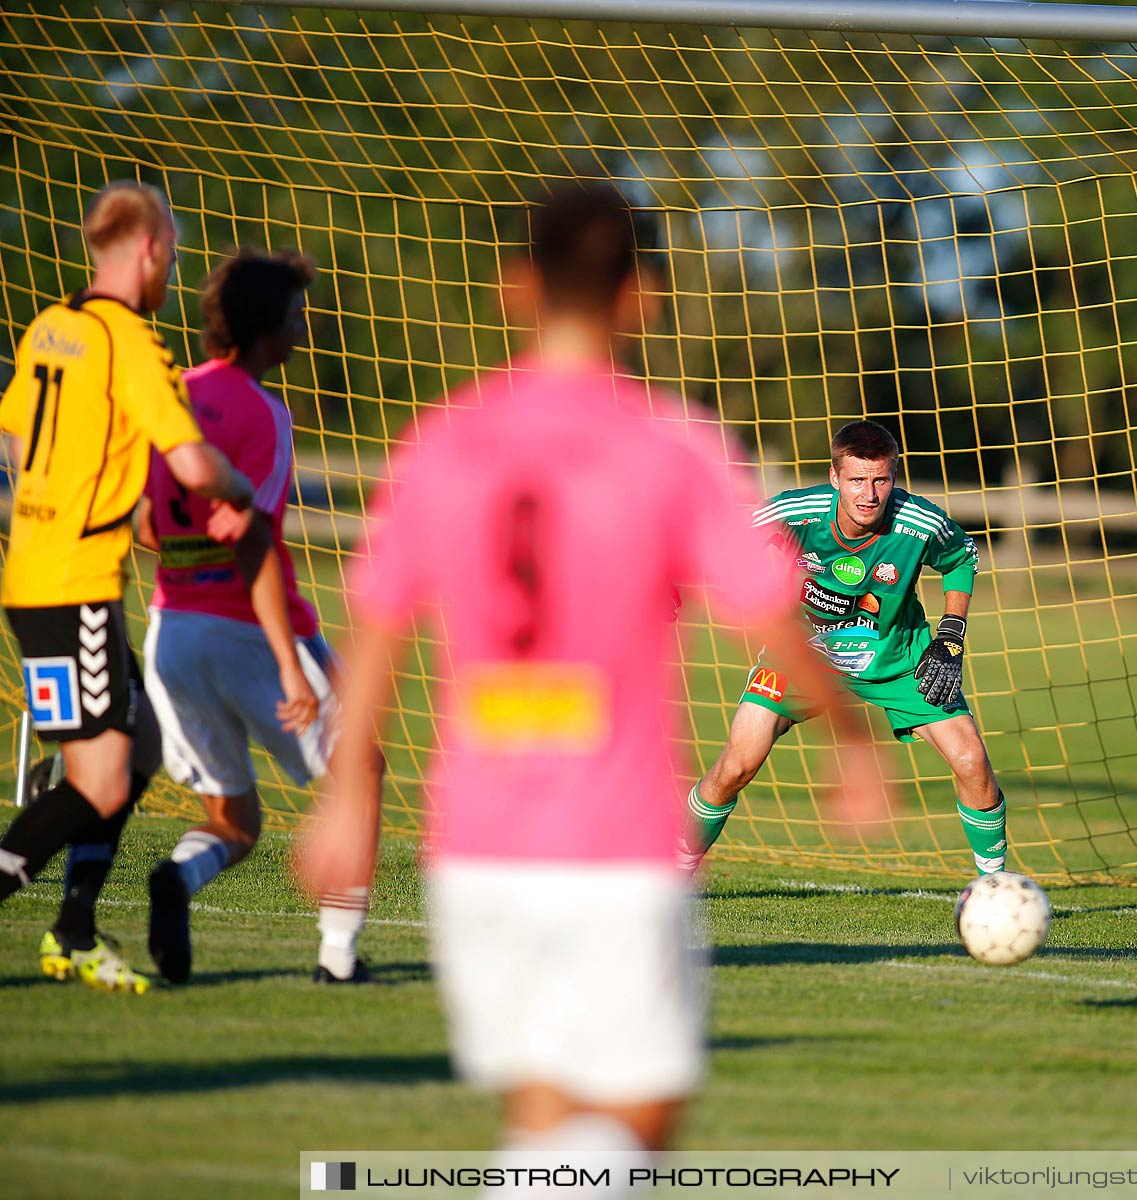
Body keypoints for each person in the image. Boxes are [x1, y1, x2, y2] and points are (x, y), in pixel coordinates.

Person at [296, 181, 888, 1193]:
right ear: (641, 297)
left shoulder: (447, 438)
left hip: (473, 845)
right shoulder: (670, 444)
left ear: (515, 287)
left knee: (543, 1117)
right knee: (638, 1124)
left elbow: (381, 628)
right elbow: (770, 615)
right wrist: (852, 738)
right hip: (612, 844)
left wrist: (346, 797)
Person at [0, 181, 255, 993]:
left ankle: (74, 929)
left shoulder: (51, 328)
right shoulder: (131, 343)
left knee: (136, 749)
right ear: (148, 250)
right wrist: (240, 493)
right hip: (73, 585)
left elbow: (14, 437)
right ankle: (55, 914)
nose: (172, 273)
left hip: (37, 572)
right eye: (172, 257)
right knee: (100, 780)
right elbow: (189, 463)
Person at [136, 248, 384, 985]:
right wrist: (285, 662)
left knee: (236, 822)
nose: (304, 331)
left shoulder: (171, 395)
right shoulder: (266, 412)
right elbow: (254, 543)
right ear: (271, 329)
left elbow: (145, 524)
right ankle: (338, 956)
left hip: (172, 633)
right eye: (298, 317)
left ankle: (177, 880)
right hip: (253, 632)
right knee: (362, 767)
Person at [680, 418, 1008, 876]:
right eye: (856, 480)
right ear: (835, 478)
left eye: (880, 480)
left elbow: (960, 558)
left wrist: (951, 632)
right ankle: (676, 867)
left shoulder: (919, 522)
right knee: (736, 764)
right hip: (801, 659)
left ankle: (994, 886)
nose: (869, 494)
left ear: (894, 476)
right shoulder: (793, 512)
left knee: (972, 760)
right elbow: (721, 537)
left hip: (898, 660)